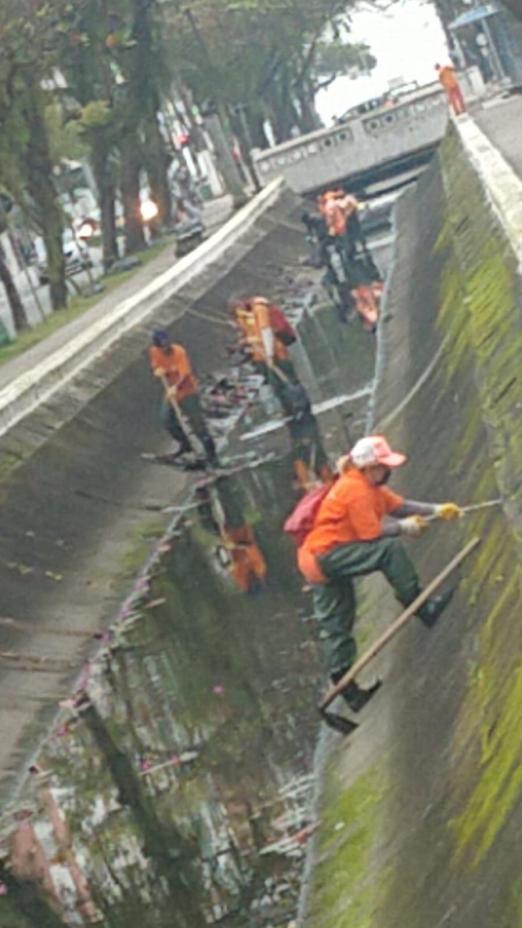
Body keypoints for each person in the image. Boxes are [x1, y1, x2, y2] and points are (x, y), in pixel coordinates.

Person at [295, 435, 462, 711]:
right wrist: (404, 528)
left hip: (319, 559)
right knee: (388, 551)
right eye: (384, 466)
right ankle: (420, 606)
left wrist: (436, 510)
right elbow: (371, 534)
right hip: (325, 557)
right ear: (368, 467)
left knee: (336, 621)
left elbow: (400, 507)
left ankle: (347, 688)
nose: (388, 471)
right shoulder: (355, 490)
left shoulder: (368, 486)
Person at [149, 328, 217, 465]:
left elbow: (184, 374)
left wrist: (176, 387)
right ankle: (185, 444)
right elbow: (157, 366)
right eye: (162, 346)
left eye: (166, 343)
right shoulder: (154, 352)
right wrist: (158, 371)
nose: (165, 347)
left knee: (197, 424)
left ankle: (212, 455)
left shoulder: (179, 352)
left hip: (187, 391)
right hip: (171, 393)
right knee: (167, 420)